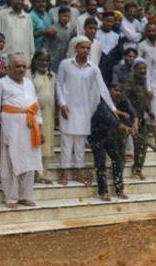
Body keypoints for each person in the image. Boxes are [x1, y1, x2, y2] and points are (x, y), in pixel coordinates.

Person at [56, 36, 118, 185]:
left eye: (88, 48)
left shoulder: (93, 68)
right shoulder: (65, 64)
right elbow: (58, 85)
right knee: (66, 142)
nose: (85, 50)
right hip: (68, 108)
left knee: (80, 144)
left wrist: (113, 108)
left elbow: (102, 87)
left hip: (85, 110)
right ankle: (63, 172)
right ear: (76, 48)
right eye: (82, 47)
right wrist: (62, 104)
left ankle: (79, 173)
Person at [0, 53, 44, 209]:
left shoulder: (29, 83)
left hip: (30, 126)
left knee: (30, 161)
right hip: (11, 127)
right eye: (17, 66)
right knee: (10, 161)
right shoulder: (1, 84)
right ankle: (11, 197)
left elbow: (35, 106)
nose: (21, 69)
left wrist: (39, 128)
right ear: (9, 68)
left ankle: (26, 195)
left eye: (23, 66)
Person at [90, 81, 132, 200]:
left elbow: (129, 114)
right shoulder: (101, 103)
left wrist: (131, 125)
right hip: (96, 136)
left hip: (109, 135)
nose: (118, 93)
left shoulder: (118, 103)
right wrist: (125, 128)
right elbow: (112, 121)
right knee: (101, 162)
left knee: (117, 159)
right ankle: (103, 192)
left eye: (120, 91)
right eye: (115, 90)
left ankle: (119, 189)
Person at [121, 59, 151, 179]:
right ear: (134, 69)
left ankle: (137, 169)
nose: (143, 71)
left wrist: (150, 111)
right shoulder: (129, 82)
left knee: (143, 144)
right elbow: (125, 100)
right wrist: (132, 116)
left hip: (142, 118)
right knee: (123, 145)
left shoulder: (143, 81)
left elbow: (144, 99)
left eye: (145, 69)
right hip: (129, 119)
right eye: (140, 69)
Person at [30, 48, 54, 184]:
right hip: (35, 114)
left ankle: (43, 172)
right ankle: (36, 173)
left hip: (49, 114)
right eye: (41, 60)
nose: (44, 63)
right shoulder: (30, 76)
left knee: (47, 143)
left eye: (46, 60)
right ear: (35, 61)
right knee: (36, 142)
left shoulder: (52, 75)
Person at [43, 5, 72, 73]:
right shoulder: (52, 29)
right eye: (64, 16)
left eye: (68, 17)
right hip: (51, 62)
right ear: (59, 16)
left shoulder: (68, 30)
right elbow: (45, 47)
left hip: (63, 62)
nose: (66, 19)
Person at [96, 11, 120, 85]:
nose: (109, 23)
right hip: (99, 62)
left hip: (110, 65)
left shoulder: (116, 36)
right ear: (103, 20)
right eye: (107, 21)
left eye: (111, 21)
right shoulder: (96, 33)